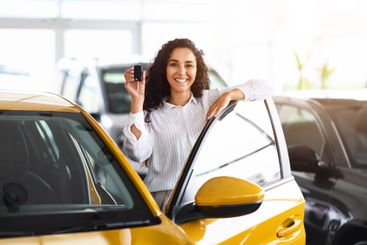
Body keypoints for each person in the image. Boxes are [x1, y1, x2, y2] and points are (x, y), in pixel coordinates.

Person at [122, 38, 272, 209]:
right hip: (163, 202)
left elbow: (265, 87)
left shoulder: (208, 100)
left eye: (188, 65)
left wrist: (229, 95)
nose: (181, 72)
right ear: (164, 68)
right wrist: (137, 100)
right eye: (174, 64)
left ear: (197, 69)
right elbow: (137, 153)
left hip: (208, 197)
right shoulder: (151, 113)